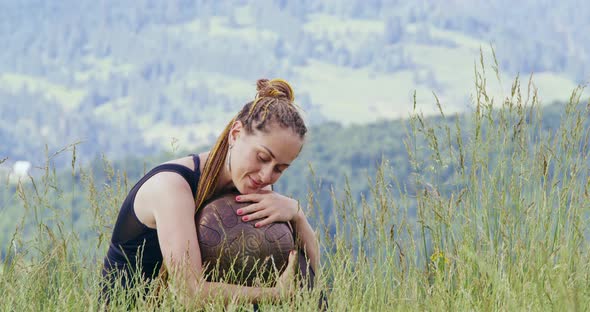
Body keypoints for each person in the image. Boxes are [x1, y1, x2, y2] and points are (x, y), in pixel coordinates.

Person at [101, 78, 319, 308]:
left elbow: (311, 278)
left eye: (279, 169)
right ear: (235, 133)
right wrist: (276, 294)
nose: (266, 176)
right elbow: (190, 293)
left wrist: (297, 214)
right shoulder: (171, 187)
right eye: (262, 158)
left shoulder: (255, 188)